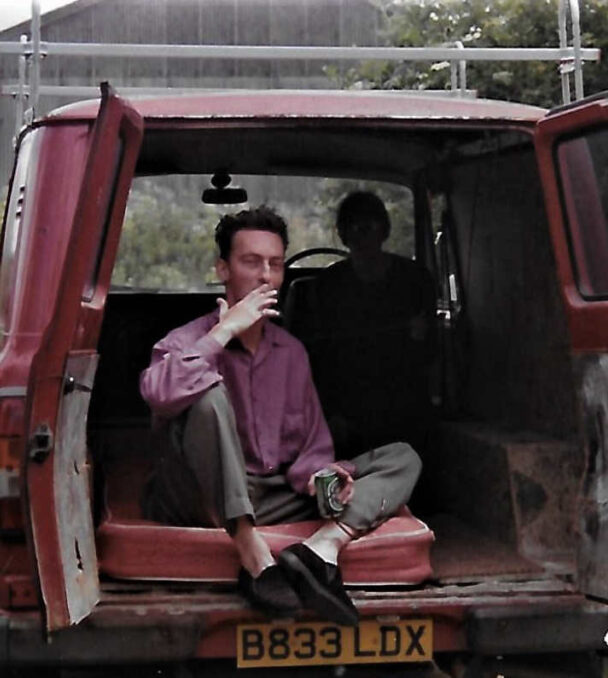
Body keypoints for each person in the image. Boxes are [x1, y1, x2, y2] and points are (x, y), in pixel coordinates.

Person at [139, 206, 421, 626]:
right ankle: (255, 558)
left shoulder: (291, 351)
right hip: (199, 496)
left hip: (272, 496)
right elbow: (158, 393)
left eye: (274, 264)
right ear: (223, 269)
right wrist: (222, 334)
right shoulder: (187, 339)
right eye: (250, 262)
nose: (265, 276)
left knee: (403, 457)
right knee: (206, 394)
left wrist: (321, 476)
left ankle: (321, 549)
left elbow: (311, 442)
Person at [310, 191, 436, 456]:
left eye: (368, 227)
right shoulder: (328, 287)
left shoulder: (414, 280)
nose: (362, 237)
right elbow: (320, 358)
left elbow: (431, 351)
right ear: (343, 235)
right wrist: (332, 414)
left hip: (406, 404)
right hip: (348, 407)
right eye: (353, 228)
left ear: (384, 231)